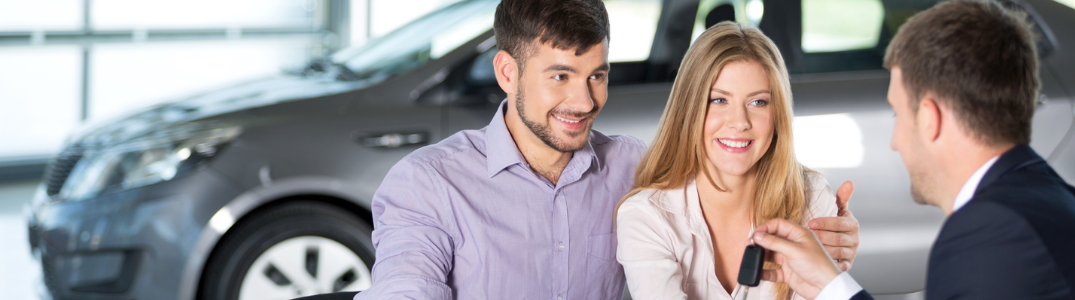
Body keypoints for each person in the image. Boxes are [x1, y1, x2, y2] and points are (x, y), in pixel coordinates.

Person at [349, 0, 862, 299]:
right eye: (560, 76)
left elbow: (737, 170)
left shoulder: (638, 171)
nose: (583, 99)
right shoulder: (430, 184)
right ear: (508, 73)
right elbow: (406, 287)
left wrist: (830, 239)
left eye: (598, 75)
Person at [747, 1, 1075, 300]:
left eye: (898, 115)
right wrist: (832, 287)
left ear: (930, 119)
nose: (894, 141)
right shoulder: (1049, 197)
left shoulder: (989, 235)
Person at [614, 22, 853, 300]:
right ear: (688, 109)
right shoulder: (646, 216)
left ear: (779, 115)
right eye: (719, 100)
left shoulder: (811, 200)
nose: (739, 122)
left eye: (758, 102)